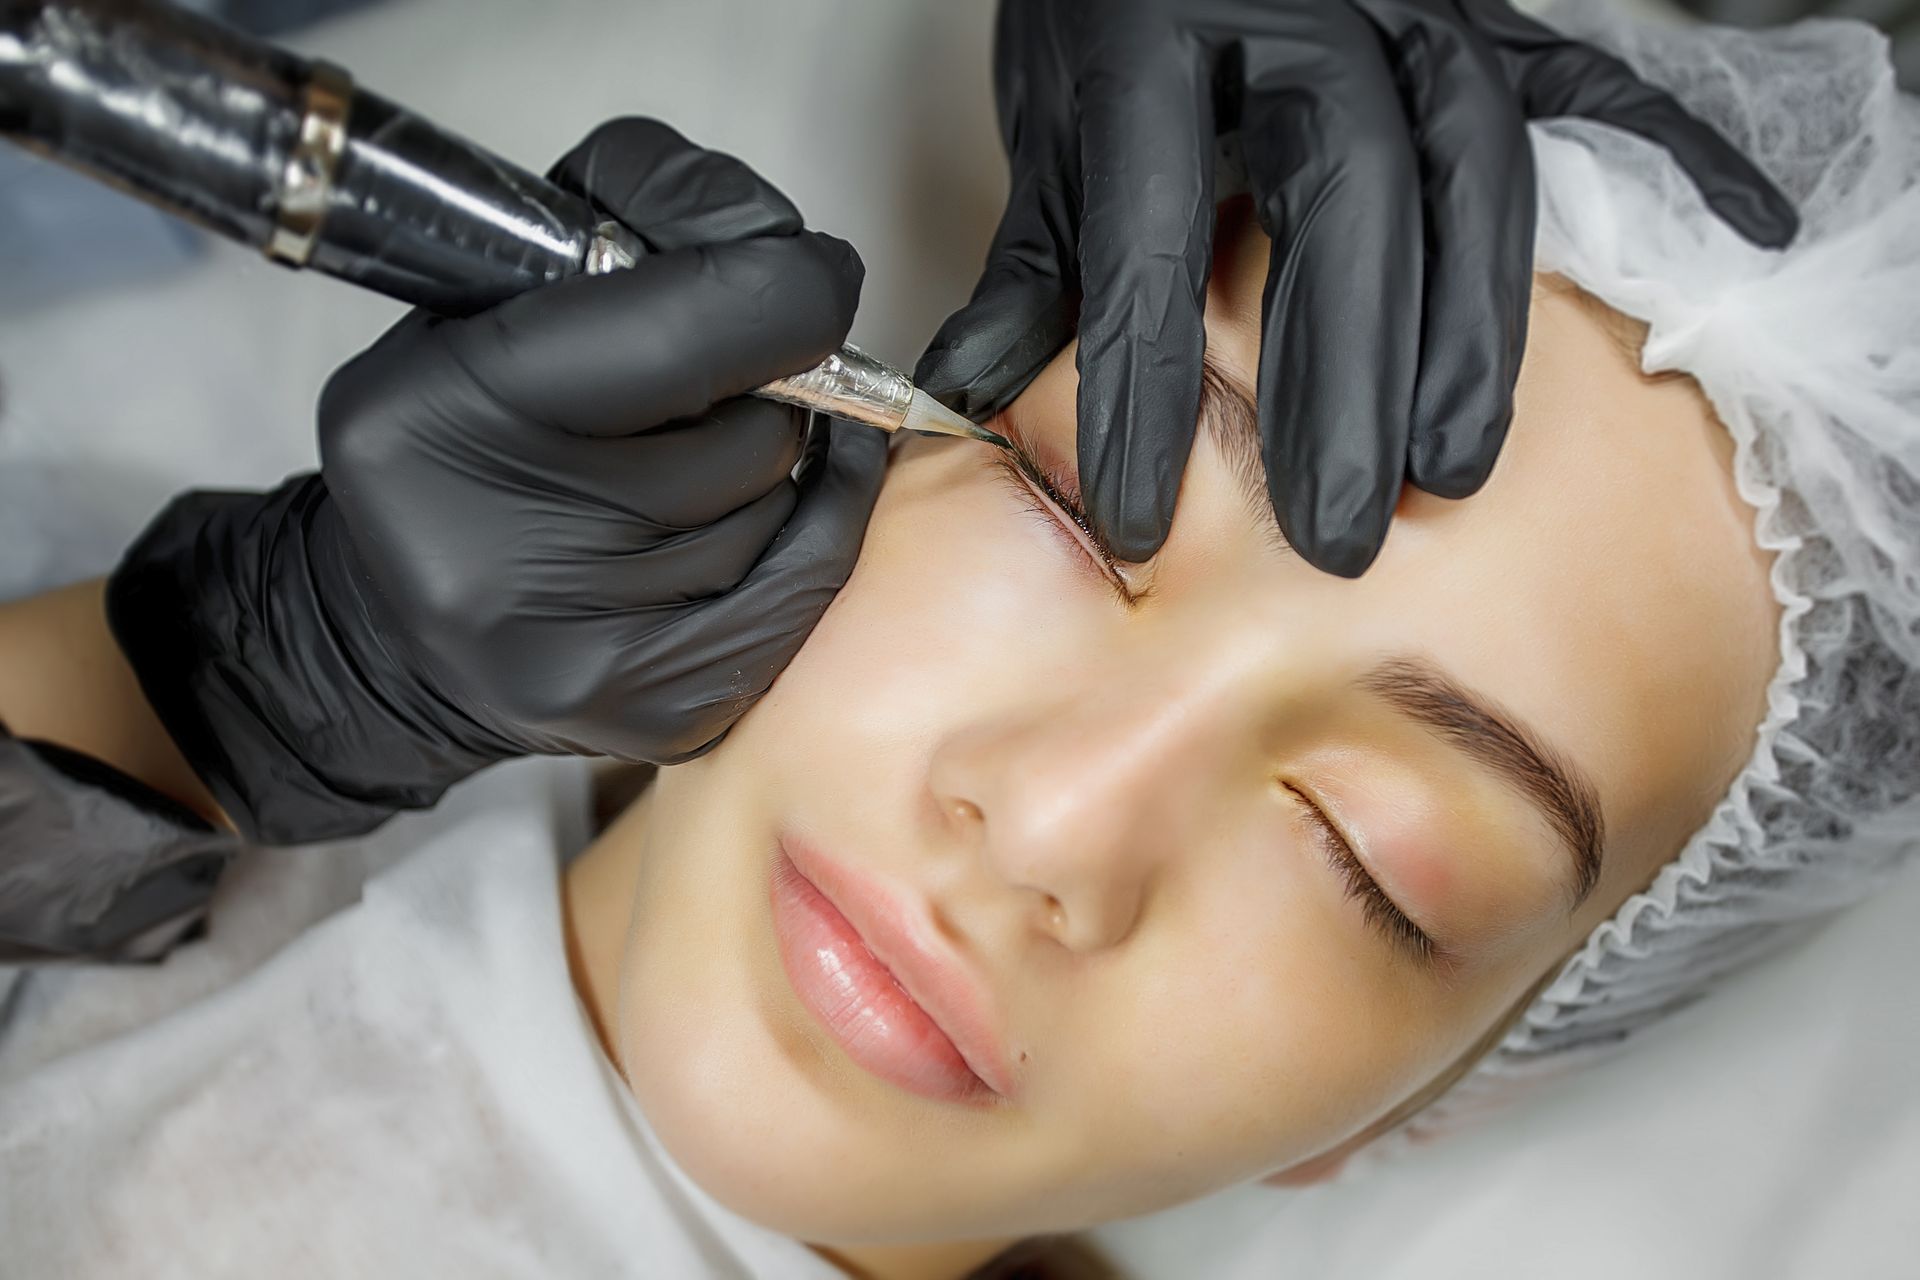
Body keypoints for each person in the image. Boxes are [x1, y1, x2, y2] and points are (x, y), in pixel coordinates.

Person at [2, 5, 1914, 1275]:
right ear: (880, 423)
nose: (1057, 827)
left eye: (1370, 863)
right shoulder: (145, 645)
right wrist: (211, 682)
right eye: (1091, 501)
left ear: (1443, 1093)